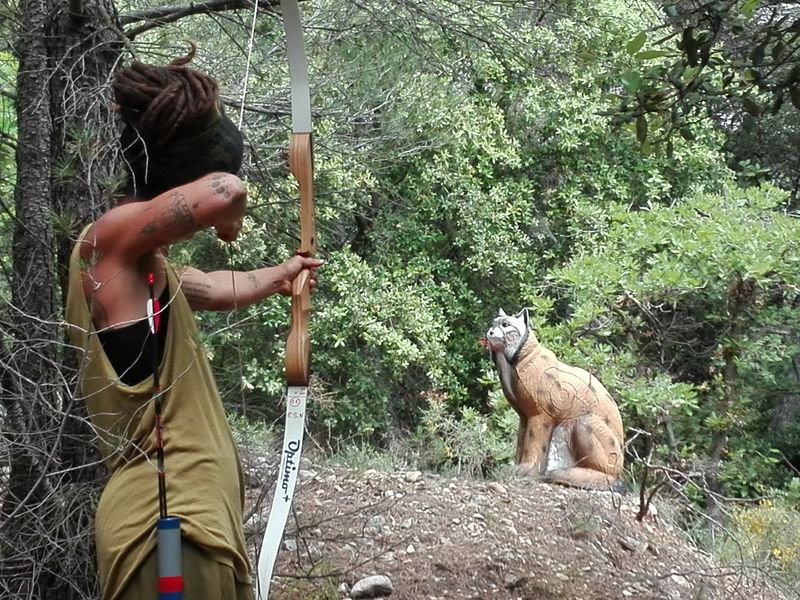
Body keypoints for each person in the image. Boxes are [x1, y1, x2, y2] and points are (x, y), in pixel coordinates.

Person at [65, 47, 321, 600]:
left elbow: (207, 286)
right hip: (168, 535)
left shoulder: (144, 271)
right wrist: (230, 203)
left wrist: (280, 275)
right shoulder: (104, 245)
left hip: (191, 528)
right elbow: (225, 192)